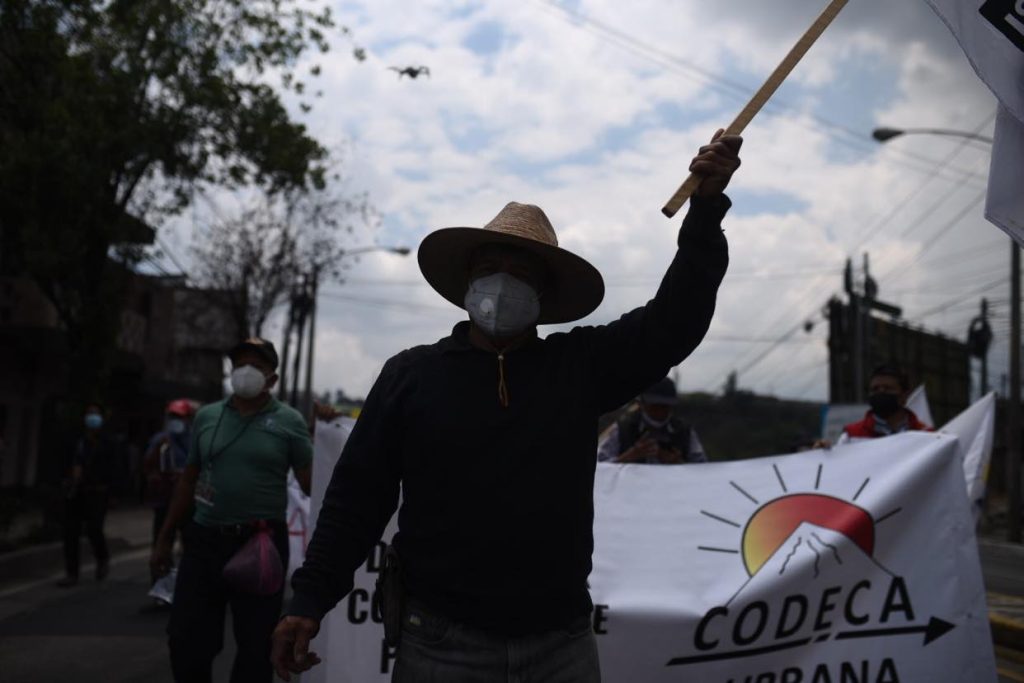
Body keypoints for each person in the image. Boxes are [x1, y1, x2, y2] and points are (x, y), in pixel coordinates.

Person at [272, 131, 742, 682]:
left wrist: (705, 210)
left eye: (522, 273)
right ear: (468, 282)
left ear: (544, 298)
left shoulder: (580, 366)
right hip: (439, 643)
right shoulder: (411, 376)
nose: (503, 282)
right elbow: (357, 498)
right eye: (491, 267)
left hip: (560, 646)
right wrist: (308, 600)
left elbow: (674, 320)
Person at [150, 337, 313, 683]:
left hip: (262, 544)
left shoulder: (290, 422)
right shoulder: (208, 417)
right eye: (240, 364)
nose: (245, 372)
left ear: (272, 378)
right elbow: (188, 480)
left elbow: (313, 484)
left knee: (256, 649)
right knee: (186, 642)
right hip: (205, 541)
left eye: (256, 365)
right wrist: (164, 539)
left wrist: (325, 430)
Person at [58, 403, 116, 587]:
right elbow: (65, 460)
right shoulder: (77, 440)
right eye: (89, 413)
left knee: (94, 528)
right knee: (70, 532)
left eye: (95, 414)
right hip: (76, 491)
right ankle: (72, 573)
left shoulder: (108, 442)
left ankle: (102, 558)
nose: (92, 417)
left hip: (98, 492)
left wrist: (110, 490)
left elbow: (117, 468)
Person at [597, 376, 707, 464]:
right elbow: (600, 467)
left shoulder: (684, 431)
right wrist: (629, 456)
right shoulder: (621, 429)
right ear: (641, 404)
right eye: (654, 406)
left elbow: (702, 469)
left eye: (665, 406)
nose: (660, 412)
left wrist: (678, 464)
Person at [143, 399, 195, 550]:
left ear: (188, 419)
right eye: (173, 417)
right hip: (165, 497)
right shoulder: (160, 439)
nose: (175, 421)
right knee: (162, 537)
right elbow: (148, 464)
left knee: (190, 540)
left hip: (186, 498)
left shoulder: (193, 439)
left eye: (179, 417)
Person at [841, 364, 931, 439]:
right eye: (875, 389)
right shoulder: (852, 434)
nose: (881, 392)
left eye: (888, 388)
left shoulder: (926, 435)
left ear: (904, 395)